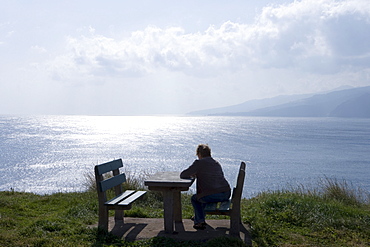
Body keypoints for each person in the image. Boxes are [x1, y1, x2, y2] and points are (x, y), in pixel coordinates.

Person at [180, 144, 231, 230]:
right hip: (226, 193)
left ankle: (199, 221)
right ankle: (198, 216)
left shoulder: (199, 163)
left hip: (214, 195)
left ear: (199, 154)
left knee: (196, 198)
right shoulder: (216, 162)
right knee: (203, 196)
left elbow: (183, 174)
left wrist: (193, 175)